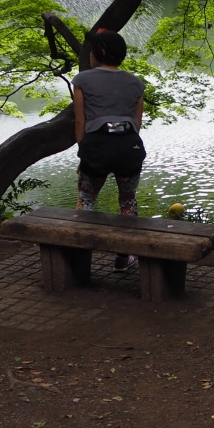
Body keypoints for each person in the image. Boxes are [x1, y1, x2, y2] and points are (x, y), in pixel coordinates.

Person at [72, 29, 146, 271]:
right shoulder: (136, 83)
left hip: (97, 147)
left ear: (100, 53)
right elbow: (137, 122)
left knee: (86, 199)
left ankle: (79, 259)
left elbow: (80, 121)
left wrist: (84, 152)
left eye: (92, 50)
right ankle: (124, 257)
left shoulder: (82, 80)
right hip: (129, 147)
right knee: (128, 200)